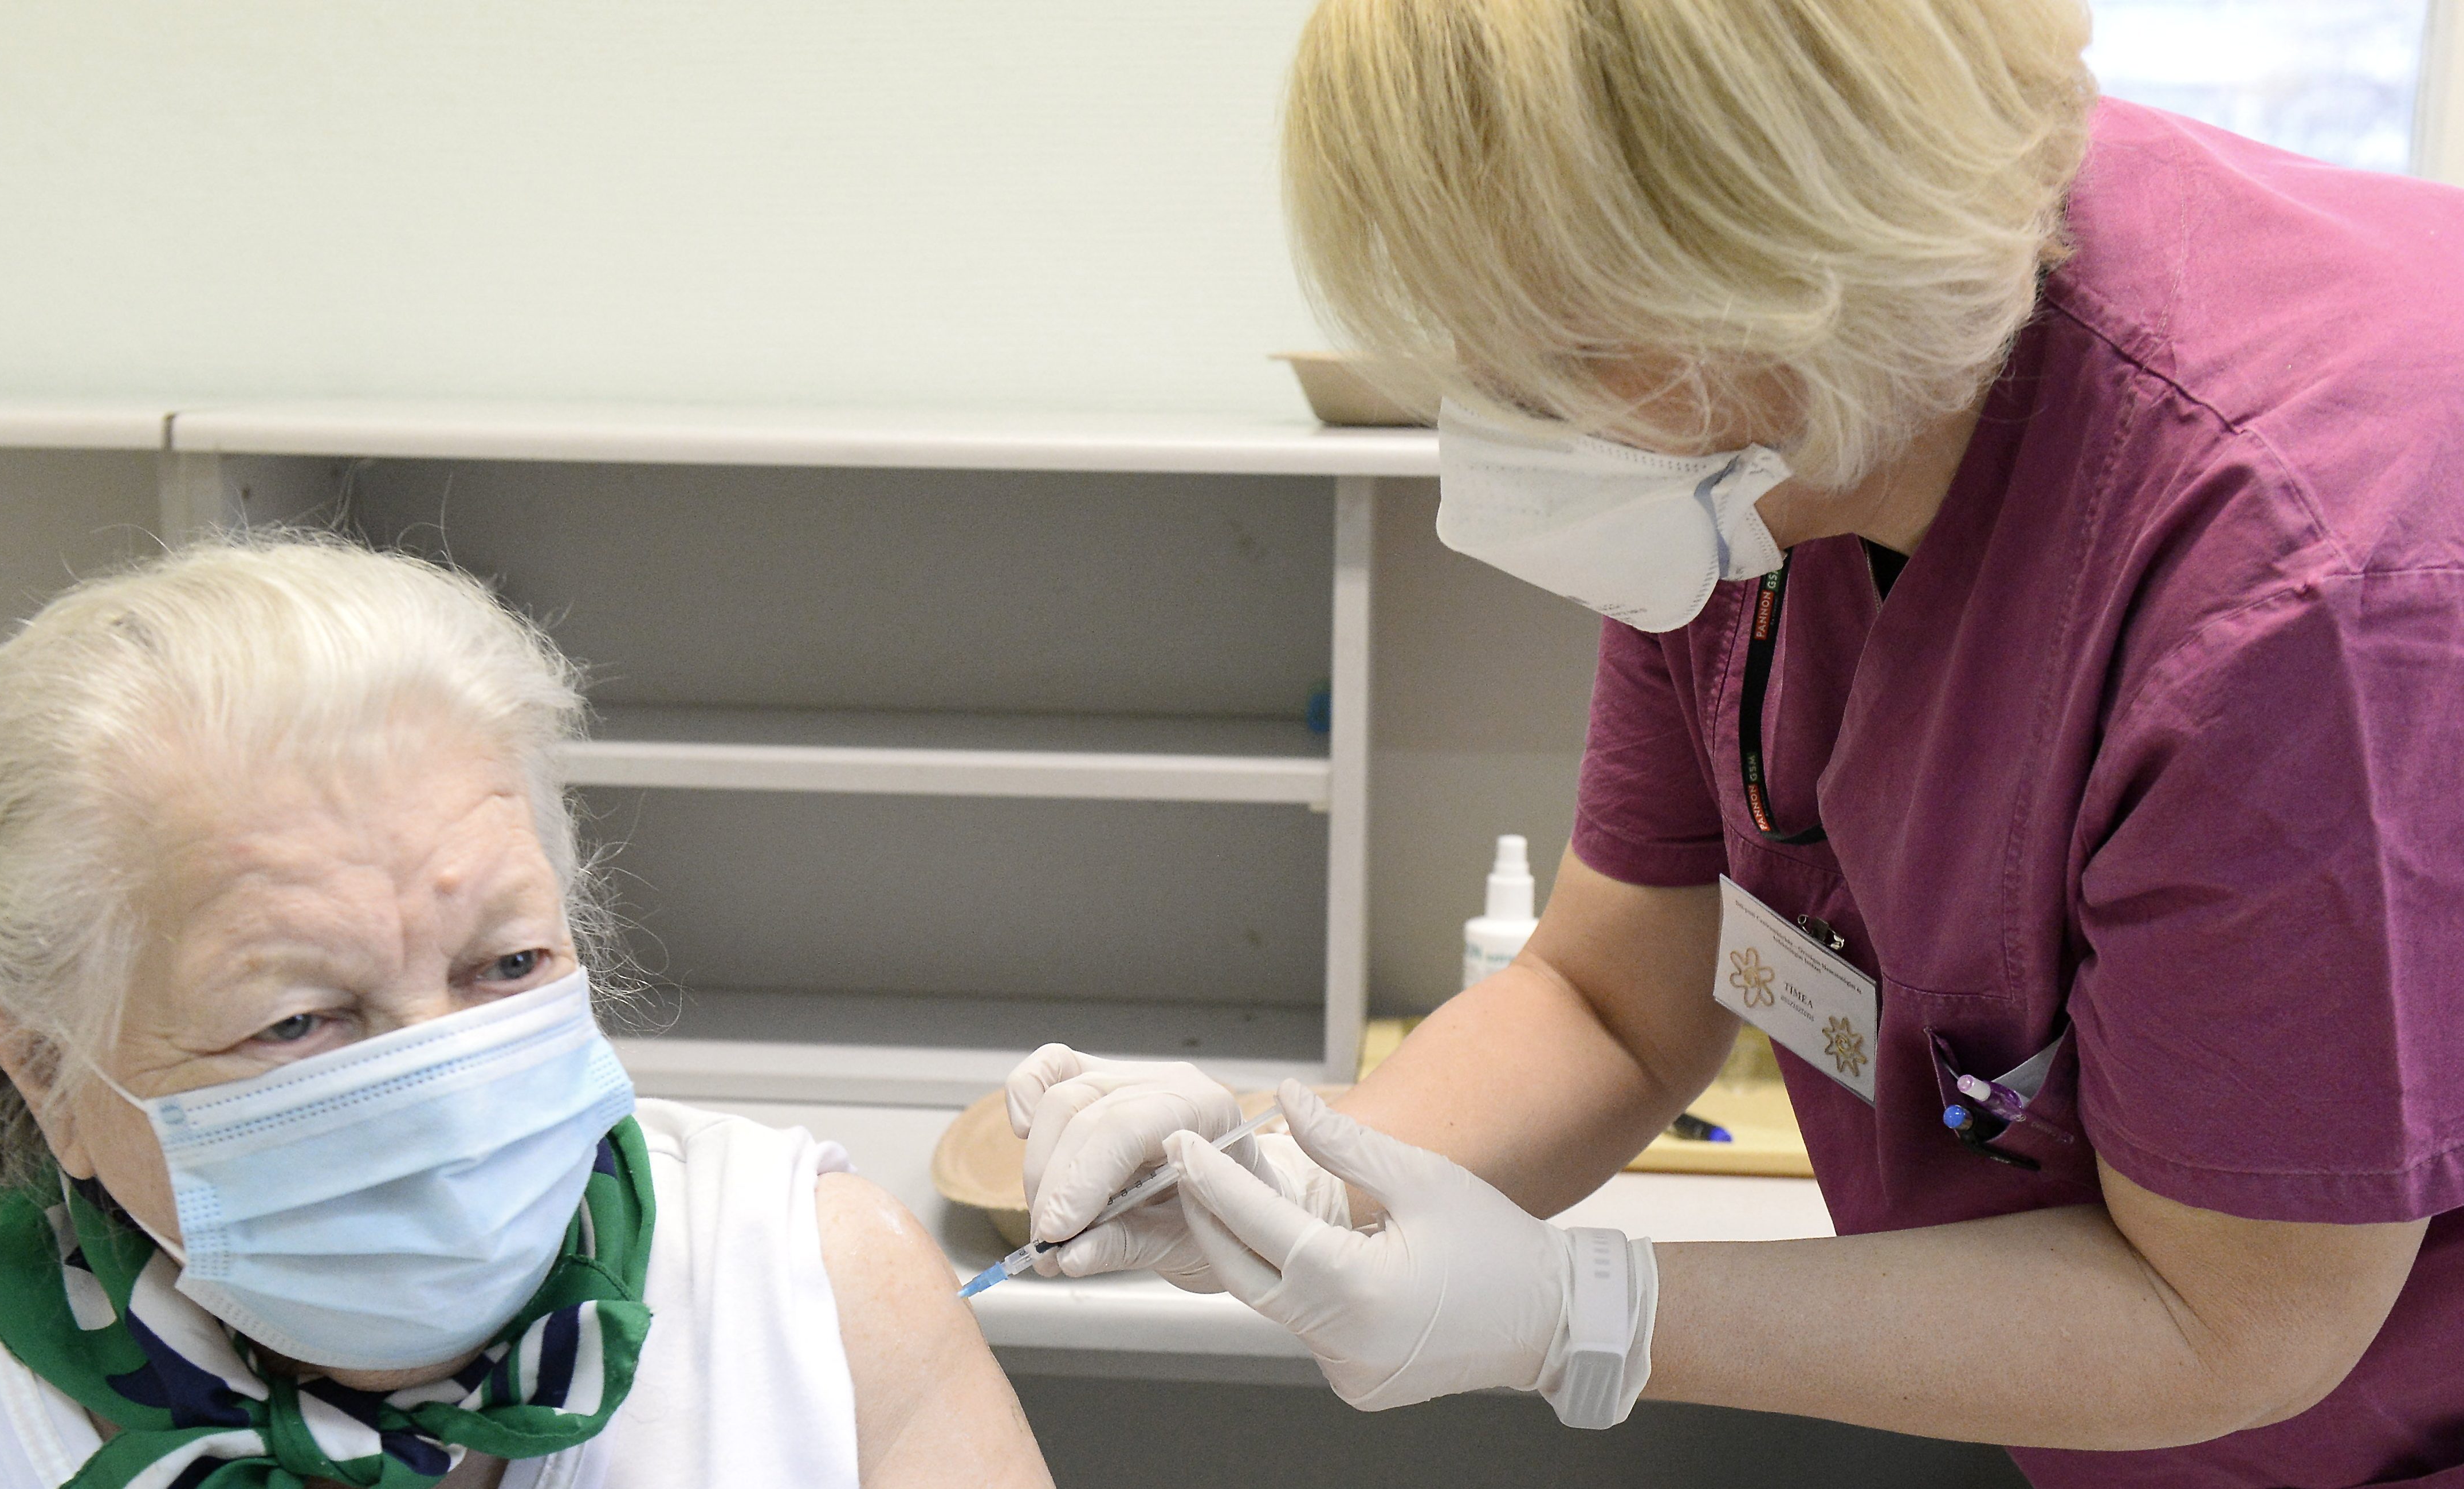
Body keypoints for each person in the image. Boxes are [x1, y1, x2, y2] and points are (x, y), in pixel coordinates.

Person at [1012, 2, 2464, 1484]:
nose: (1493, 416)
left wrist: (1584, 1312)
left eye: (1540, 357)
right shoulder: (1757, 449)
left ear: (1777, 295)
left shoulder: (2298, 593)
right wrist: (1301, 1179)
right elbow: (1609, 1001)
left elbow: (2229, 1315)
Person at [0, 538, 1051, 1489]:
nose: (450, 1102)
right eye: (298, 1021)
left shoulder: (811, 1292)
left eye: (506, 965)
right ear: (41, 1064)